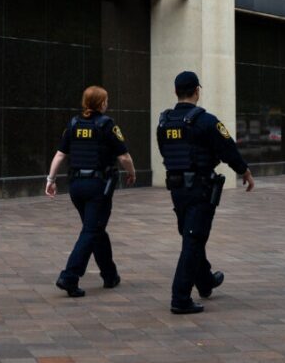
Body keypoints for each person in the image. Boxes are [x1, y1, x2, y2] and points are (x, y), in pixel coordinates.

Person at [156, 71, 255, 314]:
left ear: (176, 92)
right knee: (193, 239)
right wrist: (244, 171)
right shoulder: (206, 121)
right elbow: (227, 148)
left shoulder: (164, 122)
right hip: (200, 188)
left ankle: (205, 281)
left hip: (176, 188)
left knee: (191, 235)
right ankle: (180, 298)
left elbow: (164, 152)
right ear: (197, 91)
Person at [46, 85, 136, 297]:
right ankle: (69, 276)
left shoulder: (74, 124)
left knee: (95, 228)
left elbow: (60, 154)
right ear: (101, 103)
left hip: (76, 186)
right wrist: (131, 173)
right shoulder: (107, 125)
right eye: (106, 100)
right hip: (98, 187)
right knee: (91, 230)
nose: (107, 103)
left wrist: (50, 179)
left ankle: (109, 274)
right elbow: (124, 156)